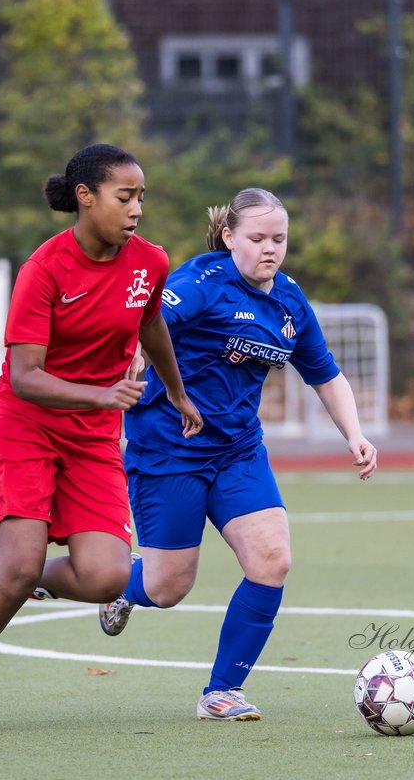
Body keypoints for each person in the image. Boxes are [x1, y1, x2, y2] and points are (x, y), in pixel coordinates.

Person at [0, 143, 204, 735]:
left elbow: (150, 323)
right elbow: (25, 376)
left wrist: (176, 391)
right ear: (85, 197)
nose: (136, 209)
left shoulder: (149, 262)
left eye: (142, 197)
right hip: (27, 424)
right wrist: (101, 395)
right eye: (125, 197)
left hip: (93, 435)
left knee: (107, 576)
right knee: (22, 570)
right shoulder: (44, 270)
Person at [100, 188, 378, 721]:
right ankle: (118, 586)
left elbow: (325, 375)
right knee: (167, 586)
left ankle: (221, 691)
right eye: (256, 238)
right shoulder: (200, 283)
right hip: (169, 448)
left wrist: (355, 434)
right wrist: (132, 361)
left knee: (273, 559)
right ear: (229, 237)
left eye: (279, 239)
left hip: (237, 450)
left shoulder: (289, 301)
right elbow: (146, 321)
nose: (269, 249)